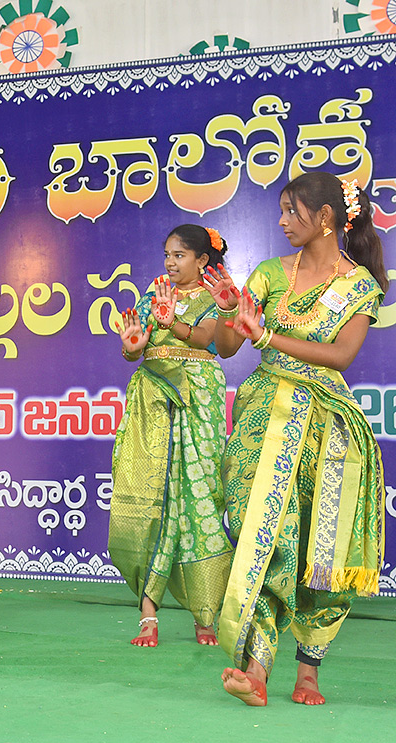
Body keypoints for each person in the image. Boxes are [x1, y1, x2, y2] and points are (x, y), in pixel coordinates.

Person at [203, 172, 387, 706]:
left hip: (327, 428)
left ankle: (304, 671)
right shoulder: (267, 274)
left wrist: (266, 335)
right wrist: (225, 311)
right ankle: (257, 667)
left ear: (324, 217)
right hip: (264, 414)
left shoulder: (359, 286)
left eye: (292, 211)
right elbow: (228, 346)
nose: (282, 222)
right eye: (281, 211)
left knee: (320, 549)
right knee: (257, 527)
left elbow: (341, 357)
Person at [109, 225, 233, 648]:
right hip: (153, 398)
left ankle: (205, 613)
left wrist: (173, 323)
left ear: (202, 260)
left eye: (179, 255)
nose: (170, 262)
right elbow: (136, 343)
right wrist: (131, 346)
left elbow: (207, 339)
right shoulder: (155, 289)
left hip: (198, 397)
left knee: (198, 501)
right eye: (167, 254)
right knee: (152, 495)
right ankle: (148, 614)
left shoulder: (213, 294)